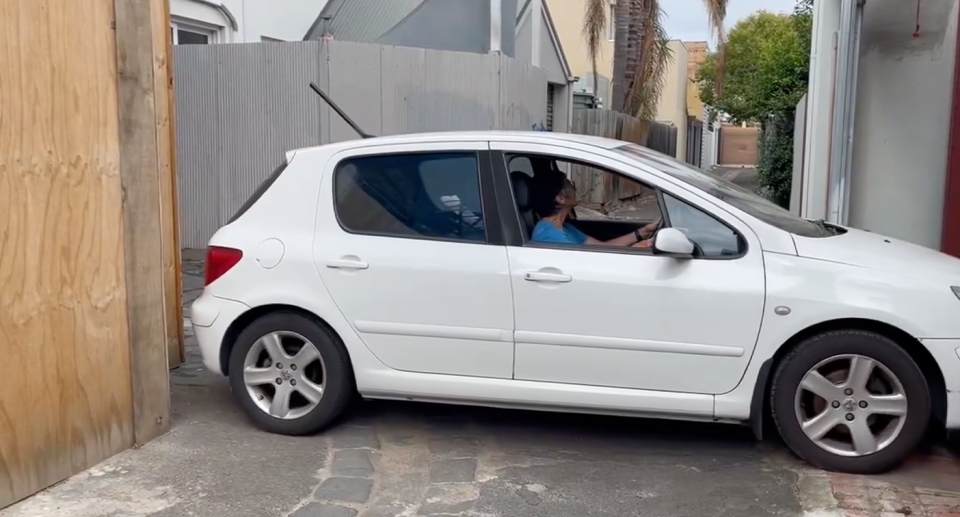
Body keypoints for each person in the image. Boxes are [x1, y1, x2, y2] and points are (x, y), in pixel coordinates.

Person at [528, 171, 660, 249]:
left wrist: (640, 233)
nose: (575, 189)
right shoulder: (549, 235)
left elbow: (602, 247)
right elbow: (594, 261)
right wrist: (638, 248)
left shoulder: (565, 228)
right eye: (570, 185)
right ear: (561, 199)